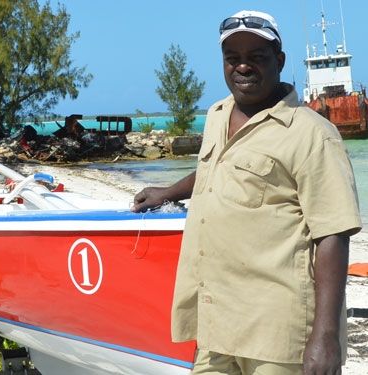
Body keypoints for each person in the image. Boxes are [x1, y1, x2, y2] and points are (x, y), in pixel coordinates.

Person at [132, 10, 362, 375]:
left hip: (276, 335)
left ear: (280, 61)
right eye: (233, 58)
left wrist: (326, 336)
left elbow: (333, 232)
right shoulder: (217, 115)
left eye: (256, 57)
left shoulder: (312, 134)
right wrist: (169, 191)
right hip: (216, 323)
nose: (243, 67)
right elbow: (219, 168)